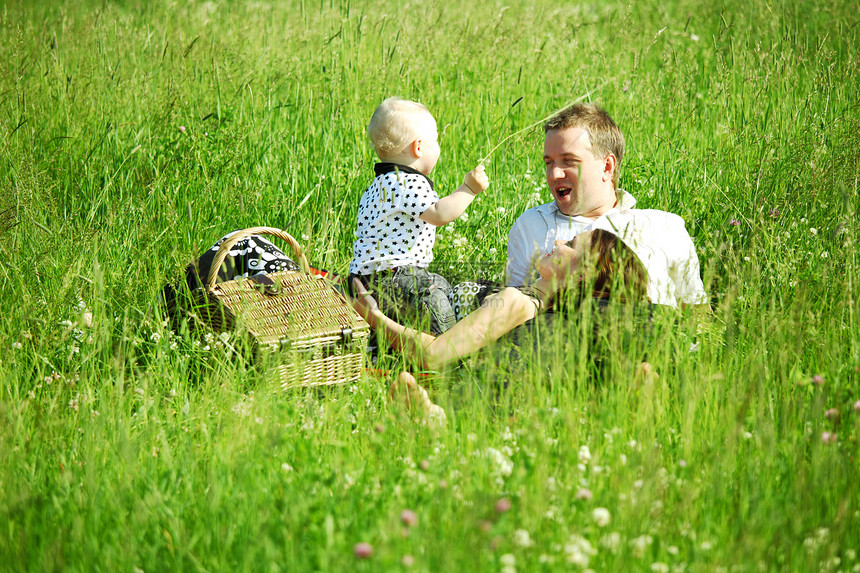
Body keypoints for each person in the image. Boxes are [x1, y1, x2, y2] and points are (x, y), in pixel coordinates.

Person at [506, 103, 707, 308]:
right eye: (549, 163)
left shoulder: (663, 226)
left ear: (607, 167)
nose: (554, 174)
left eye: (568, 161)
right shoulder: (531, 225)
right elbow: (508, 310)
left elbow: (697, 313)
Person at [348, 97, 490, 335]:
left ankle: (400, 346)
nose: (439, 147)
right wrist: (469, 189)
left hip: (368, 280)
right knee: (434, 299)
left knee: (441, 286)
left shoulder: (379, 184)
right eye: (436, 141)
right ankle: (447, 346)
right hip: (397, 278)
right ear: (419, 147)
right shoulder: (408, 181)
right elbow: (439, 214)